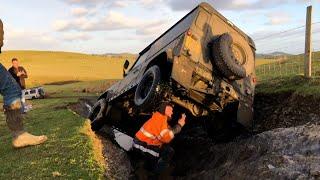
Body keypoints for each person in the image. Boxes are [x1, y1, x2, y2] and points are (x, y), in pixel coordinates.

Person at [0, 19, 47, 148]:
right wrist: (16, 75)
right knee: (12, 91)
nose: (3, 39)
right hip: (16, 87)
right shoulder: (11, 70)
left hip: (22, 86)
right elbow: (11, 76)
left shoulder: (21, 68)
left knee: (16, 94)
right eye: (2, 34)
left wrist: (22, 75)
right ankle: (19, 135)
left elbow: (26, 74)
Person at [133, 102, 186, 174]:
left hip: (147, 143)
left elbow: (167, 132)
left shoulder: (161, 119)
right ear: (165, 110)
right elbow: (165, 137)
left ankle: (152, 168)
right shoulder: (159, 120)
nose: (172, 112)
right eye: (171, 110)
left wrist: (178, 126)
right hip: (141, 145)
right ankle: (154, 173)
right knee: (161, 155)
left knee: (168, 150)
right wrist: (179, 125)